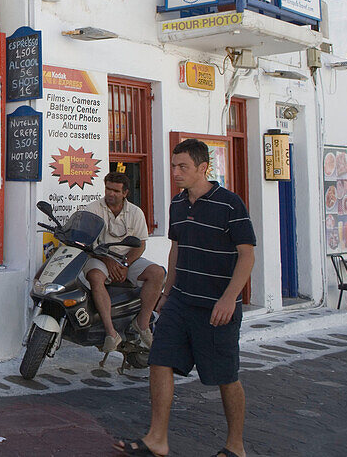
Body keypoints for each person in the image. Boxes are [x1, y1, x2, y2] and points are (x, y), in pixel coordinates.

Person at [117, 139, 256, 457]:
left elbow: (247, 256)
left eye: (183, 167)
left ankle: (236, 446)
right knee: (159, 361)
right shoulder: (178, 205)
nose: (176, 172)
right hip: (180, 301)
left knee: (225, 377)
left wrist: (229, 299)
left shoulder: (230, 204)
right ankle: (157, 439)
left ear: (203, 168)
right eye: (174, 166)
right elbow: (177, 248)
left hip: (216, 306)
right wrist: (167, 292)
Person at [83, 172, 166, 352]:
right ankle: (110, 332)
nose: (110, 193)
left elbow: (140, 244)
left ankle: (142, 323)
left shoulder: (136, 212)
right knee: (95, 277)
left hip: (127, 259)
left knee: (158, 273)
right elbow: (87, 243)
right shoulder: (93, 209)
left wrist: (125, 264)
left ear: (125, 193)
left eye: (115, 190)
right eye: (107, 189)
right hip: (100, 257)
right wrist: (107, 260)